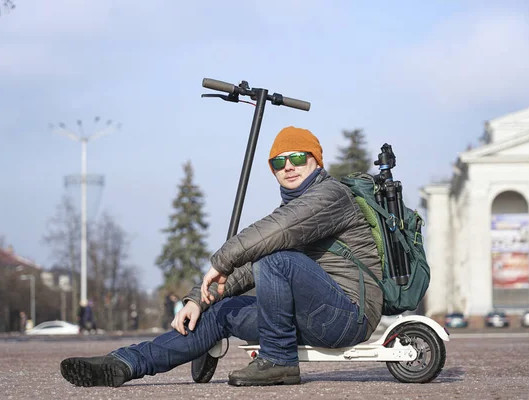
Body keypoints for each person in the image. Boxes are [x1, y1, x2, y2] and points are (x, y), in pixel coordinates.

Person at [60, 126, 383, 388]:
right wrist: (198, 299)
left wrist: (220, 260)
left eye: (297, 157)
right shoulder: (293, 212)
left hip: (347, 315)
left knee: (275, 258)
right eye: (278, 162)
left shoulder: (330, 196)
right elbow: (248, 266)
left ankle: (279, 361)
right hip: (311, 317)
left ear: (316, 161)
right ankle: (125, 364)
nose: (288, 167)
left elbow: (270, 238)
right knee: (219, 310)